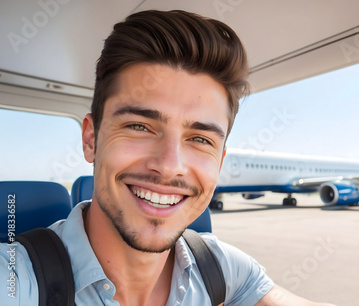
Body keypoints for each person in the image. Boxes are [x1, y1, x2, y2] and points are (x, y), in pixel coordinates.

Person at [1, 10, 335, 305]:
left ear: (219, 162)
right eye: (139, 126)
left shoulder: (224, 268)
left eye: (200, 139)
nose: (169, 165)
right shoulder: (15, 281)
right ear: (91, 139)